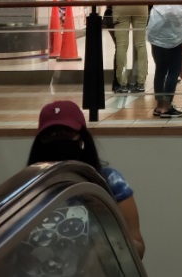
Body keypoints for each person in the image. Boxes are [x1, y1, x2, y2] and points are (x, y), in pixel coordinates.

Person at [27, 100, 145, 259]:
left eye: (67, 133)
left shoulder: (110, 182)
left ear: (83, 139)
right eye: (51, 135)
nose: (59, 141)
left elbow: (138, 247)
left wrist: (110, 240)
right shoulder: (29, 188)